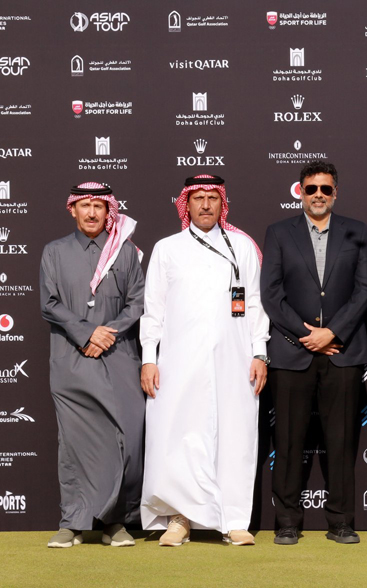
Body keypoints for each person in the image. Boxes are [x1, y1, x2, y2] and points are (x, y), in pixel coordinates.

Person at [139, 175, 269, 547]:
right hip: (179, 362)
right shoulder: (167, 249)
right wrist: (150, 358)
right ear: (187, 204)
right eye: (199, 199)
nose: (207, 205)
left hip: (234, 359)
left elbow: (255, 304)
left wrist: (260, 351)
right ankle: (180, 519)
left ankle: (233, 520)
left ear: (222, 203)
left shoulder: (241, 247)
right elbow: (153, 312)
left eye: (213, 198)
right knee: (181, 437)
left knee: (234, 438)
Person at [261, 161, 367, 545]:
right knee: (288, 442)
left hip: (342, 351)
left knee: (341, 443)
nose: (319, 195)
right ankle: (287, 522)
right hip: (293, 352)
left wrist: (333, 332)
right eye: (312, 189)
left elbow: (364, 290)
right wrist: (305, 334)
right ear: (301, 191)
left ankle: (341, 521)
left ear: (335, 192)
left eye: (326, 188)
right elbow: (271, 294)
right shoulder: (278, 233)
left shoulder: (356, 231)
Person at [40, 182, 144, 548]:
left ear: (109, 210)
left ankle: (114, 522)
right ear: (72, 209)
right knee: (74, 445)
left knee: (125, 442)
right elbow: (50, 304)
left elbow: (137, 302)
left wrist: (107, 333)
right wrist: (87, 333)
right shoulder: (54, 252)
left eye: (98, 206)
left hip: (118, 360)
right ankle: (73, 522)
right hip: (72, 361)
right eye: (84, 205)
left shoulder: (126, 252)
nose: (91, 213)